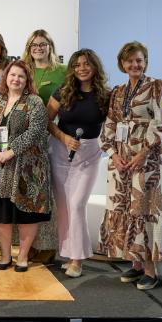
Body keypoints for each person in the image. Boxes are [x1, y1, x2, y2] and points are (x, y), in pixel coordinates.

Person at [99, 41, 162, 290]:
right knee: (126, 209)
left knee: (144, 209)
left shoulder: (155, 87)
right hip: (121, 161)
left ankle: (151, 271)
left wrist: (142, 153)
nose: (134, 64)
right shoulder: (118, 92)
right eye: (129, 61)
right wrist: (112, 153)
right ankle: (136, 264)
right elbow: (109, 124)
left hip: (147, 162)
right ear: (122, 64)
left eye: (139, 60)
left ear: (145, 62)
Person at [0, 60, 51, 272]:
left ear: (27, 80)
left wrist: (11, 151)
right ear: (6, 78)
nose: (16, 79)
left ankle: (22, 257)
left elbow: (36, 131)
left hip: (26, 170)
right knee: (2, 214)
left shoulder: (35, 102)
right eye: (12, 75)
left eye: (21, 76)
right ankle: (4, 256)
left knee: (26, 215)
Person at [47, 49, 110, 278]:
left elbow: (112, 126)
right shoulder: (63, 92)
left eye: (86, 64)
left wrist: (102, 144)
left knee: (76, 205)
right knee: (63, 206)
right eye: (77, 65)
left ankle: (77, 259)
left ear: (94, 67)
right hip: (60, 151)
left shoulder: (105, 95)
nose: (82, 68)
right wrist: (63, 137)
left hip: (89, 154)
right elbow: (47, 121)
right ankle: (67, 252)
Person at [21, 29, 66, 263]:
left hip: (51, 134)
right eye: (33, 44)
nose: (38, 48)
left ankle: (48, 245)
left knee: (49, 192)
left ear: (50, 46)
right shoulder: (22, 69)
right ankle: (29, 244)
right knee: (28, 191)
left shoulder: (62, 71)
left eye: (43, 44)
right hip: (24, 136)